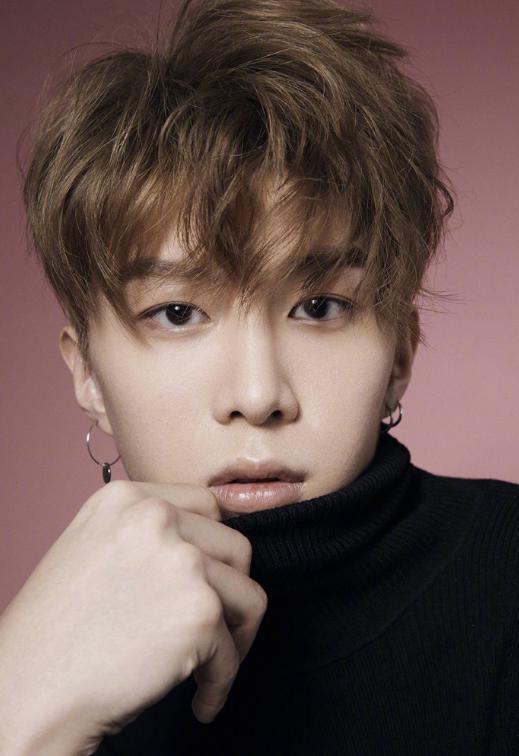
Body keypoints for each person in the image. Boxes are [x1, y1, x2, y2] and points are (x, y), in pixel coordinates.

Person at [1, 0, 518, 753]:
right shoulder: (39, 659)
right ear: (87, 374)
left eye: (319, 306)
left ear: (400, 355)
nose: (257, 397)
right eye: (177, 313)